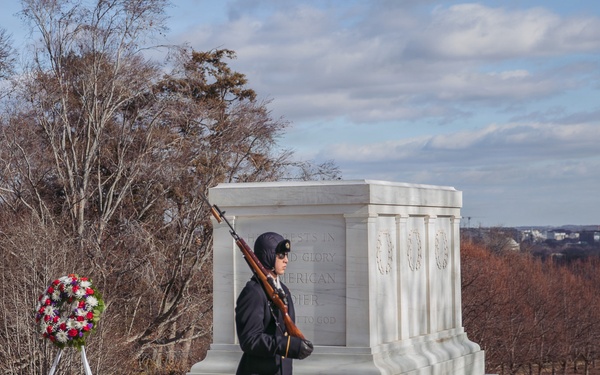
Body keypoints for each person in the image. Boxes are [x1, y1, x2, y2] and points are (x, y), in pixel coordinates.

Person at [235, 232, 313, 375]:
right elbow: (249, 339)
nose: (286, 260)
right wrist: (287, 345)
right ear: (268, 256)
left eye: (286, 255)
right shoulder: (253, 292)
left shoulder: (283, 290)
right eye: (281, 255)